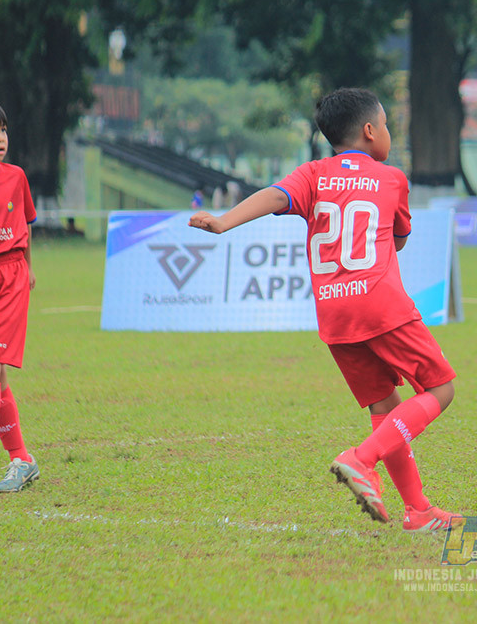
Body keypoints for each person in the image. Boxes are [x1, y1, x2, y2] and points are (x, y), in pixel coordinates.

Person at [189, 88, 459, 531]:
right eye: (387, 124)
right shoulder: (392, 179)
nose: (389, 133)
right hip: (380, 301)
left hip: (334, 313)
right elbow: (398, 237)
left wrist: (223, 221)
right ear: (371, 131)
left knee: (385, 407)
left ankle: (419, 511)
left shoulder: (312, 173)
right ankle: (361, 458)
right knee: (441, 389)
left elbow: (275, 198)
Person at [0, 94, 40, 492]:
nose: (0, 137)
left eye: (3, 129)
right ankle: (21, 460)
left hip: (10, 278)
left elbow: (25, 224)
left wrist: (29, 270)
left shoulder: (15, 176)